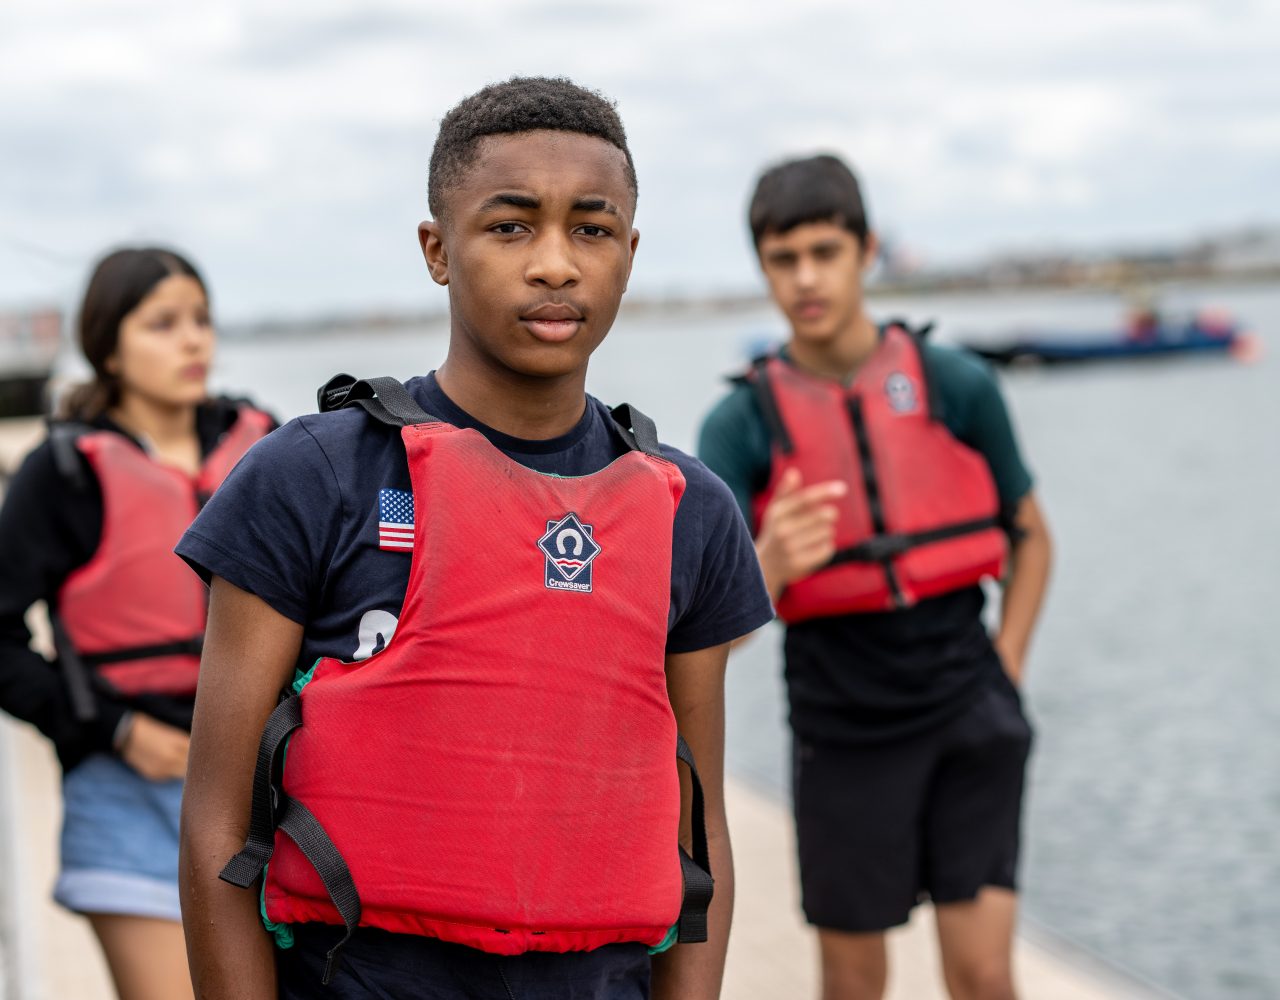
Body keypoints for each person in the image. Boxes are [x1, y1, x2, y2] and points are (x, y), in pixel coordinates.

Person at [176, 76, 772, 1000]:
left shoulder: (691, 509)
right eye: (511, 226)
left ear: (629, 253)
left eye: (592, 229)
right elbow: (217, 822)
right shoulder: (312, 477)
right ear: (437, 250)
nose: (555, 265)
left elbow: (702, 832)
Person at [698, 155, 1053, 1000]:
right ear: (762, 268)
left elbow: (1033, 539)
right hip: (842, 720)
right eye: (783, 260)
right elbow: (706, 638)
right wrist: (770, 565)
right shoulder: (738, 425)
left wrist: (1007, 665)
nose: (806, 279)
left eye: (825, 252)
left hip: (968, 702)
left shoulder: (956, 383)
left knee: (985, 974)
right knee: (854, 982)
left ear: (867, 250)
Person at [0, 246, 274, 1000]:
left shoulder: (267, 448)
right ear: (108, 347)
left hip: (266, 792)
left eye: (201, 320)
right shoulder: (61, 474)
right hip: (127, 795)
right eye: (162, 324)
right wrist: (115, 731)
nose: (193, 341)